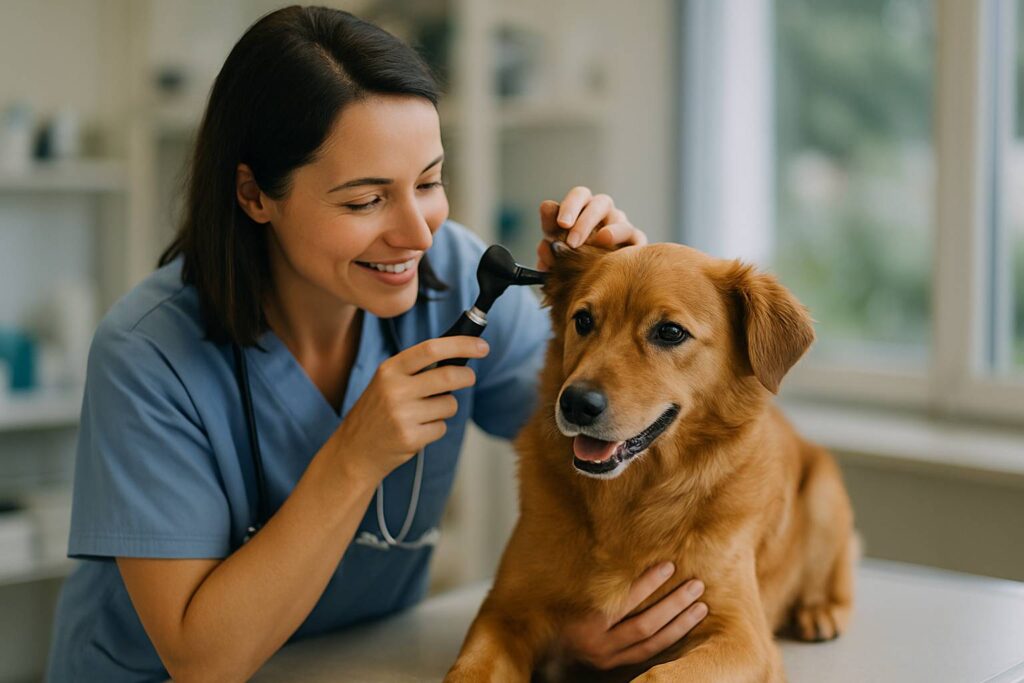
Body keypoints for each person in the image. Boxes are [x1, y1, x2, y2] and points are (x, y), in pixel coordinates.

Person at [46, 6, 707, 681]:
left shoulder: (460, 281)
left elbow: (607, 462)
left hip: (360, 663)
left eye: (428, 182)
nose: (416, 234)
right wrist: (354, 459)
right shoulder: (147, 354)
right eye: (365, 201)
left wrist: (615, 305)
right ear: (254, 195)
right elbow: (201, 660)